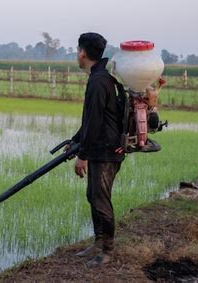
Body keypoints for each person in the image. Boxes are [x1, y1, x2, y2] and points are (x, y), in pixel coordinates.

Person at [70, 32, 125, 267]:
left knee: (101, 199)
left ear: (83, 52)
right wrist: (74, 140)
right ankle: (98, 242)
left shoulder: (98, 81)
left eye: (77, 50)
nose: (76, 54)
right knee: (93, 196)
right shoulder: (101, 77)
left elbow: (94, 123)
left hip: (106, 150)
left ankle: (108, 250)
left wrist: (82, 155)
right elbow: (91, 120)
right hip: (101, 147)